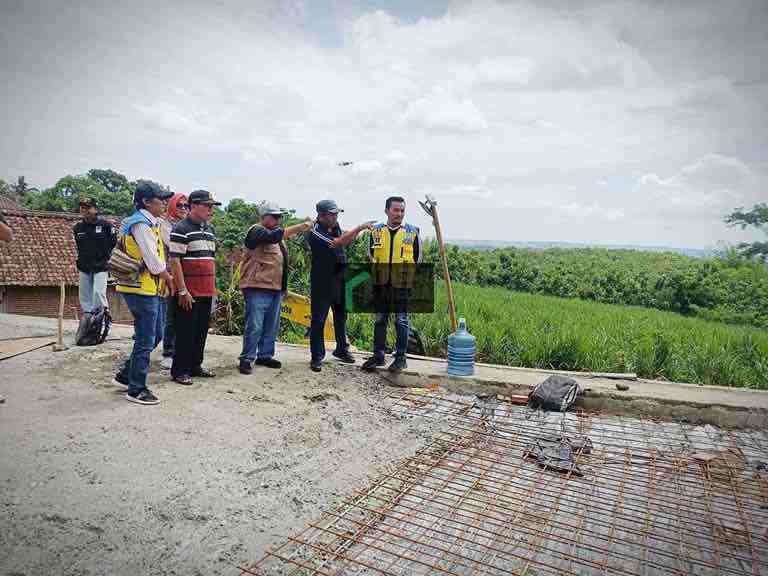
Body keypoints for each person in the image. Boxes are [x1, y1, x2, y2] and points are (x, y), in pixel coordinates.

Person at [114, 181, 175, 405]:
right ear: (146, 202)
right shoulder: (140, 225)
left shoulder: (153, 223)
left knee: (156, 334)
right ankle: (136, 388)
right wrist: (168, 278)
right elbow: (153, 262)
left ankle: (125, 375)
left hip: (149, 288)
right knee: (146, 337)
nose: (165, 203)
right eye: (161, 199)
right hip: (140, 288)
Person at [237, 203, 312, 375]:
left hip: (275, 288)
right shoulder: (256, 231)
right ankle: (247, 358)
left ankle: (264, 355)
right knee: (255, 325)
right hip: (256, 286)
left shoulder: (277, 238)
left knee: (271, 325)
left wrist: (283, 288)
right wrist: (301, 226)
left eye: (279, 216)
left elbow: (282, 264)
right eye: (275, 216)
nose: (278, 219)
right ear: (264, 217)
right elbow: (274, 236)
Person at [306, 199, 373, 372]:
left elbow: (343, 237)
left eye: (337, 213)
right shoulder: (315, 231)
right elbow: (337, 243)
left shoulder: (335, 227)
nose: (336, 217)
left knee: (341, 317)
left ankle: (341, 349)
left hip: (340, 280)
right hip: (322, 283)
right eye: (332, 214)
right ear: (321, 215)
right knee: (318, 321)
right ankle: (317, 357)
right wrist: (360, 228)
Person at [361, 196, 422, 373]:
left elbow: (417, 258)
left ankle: (401, 358)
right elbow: (371, 254)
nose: (399, 214)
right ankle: (379, 356)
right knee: (380, 319)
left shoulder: (412, 232)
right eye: (396, 210)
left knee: (401, 320)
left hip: (402, 284)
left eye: (402, 210)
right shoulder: (376, 231)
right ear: (387, 210)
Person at [168, 190, 219, 385]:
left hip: (206, 290)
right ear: (194, 206)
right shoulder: (181, 228)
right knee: (185, 332)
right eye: (207, 206)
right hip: (188, 292)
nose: (210, 210)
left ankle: (195, 365)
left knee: (200, 331)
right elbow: (175, 262)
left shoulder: (210, 229)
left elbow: (209, 260)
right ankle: (179, 370)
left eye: (212, 206)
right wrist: (182, 290)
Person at [159, 193, 188, 368]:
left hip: (186, 274)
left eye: (186, 206)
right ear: (172, 207)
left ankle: (180, 349)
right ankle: (168, 350)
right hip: (171, 274)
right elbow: (175, 247)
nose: (184, 209)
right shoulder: (165, 225)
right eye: (180, 205)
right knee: (172, 314)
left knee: (183, 313)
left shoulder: (186, 225)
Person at [73, 197, 117, 315]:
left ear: (95, 209)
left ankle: (101, 318)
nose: (85, 210)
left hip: (101, 265)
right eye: (82, 208)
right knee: (84, 296)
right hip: (84, 266)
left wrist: (104, 256)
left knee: (98, 293)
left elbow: (113, 243)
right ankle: (88, 319)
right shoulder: (78, 228)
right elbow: (79, 246)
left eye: (88, 207)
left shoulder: (106, 226)